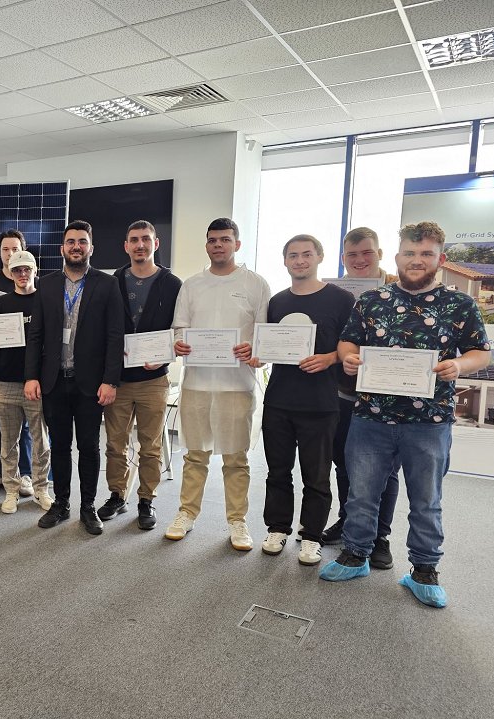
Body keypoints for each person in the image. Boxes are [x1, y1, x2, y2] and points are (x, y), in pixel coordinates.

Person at [322, 221, 490, 608]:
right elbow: (348, 341)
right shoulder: (372, 300)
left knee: (426, 499)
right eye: (410, 253)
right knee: (362, 493)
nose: (417, 260)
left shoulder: (460, 304)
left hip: (429, 422)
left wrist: (459, 366)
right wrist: (349, 357)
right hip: (371, 416)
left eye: (426, 254)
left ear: (440, 260)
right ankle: (355, 555)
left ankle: (424, 570)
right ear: (397, 258)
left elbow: (480, 353)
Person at [166, 218, 270, 550]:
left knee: (236, 459)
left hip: (237, 384)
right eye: (212, 240)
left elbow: (264, 335)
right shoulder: (192, 284)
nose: (218, 245)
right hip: (196, 382)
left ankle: (237, 521)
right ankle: (186, 513)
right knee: (195, 455)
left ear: (236, 244)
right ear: (207, 245)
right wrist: (179, 342)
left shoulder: (255, 284)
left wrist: (255, 350)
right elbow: (179, 327)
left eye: (225, 239)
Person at [250, 235, 354, 565]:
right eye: (293, 255)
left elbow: (352, 344)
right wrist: (259, 355)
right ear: (285, 261)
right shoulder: (277, 301)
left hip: (321, 403)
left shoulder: (341, 299)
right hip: (278, 401)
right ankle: (277, 528)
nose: (299, 260)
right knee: (277, 472)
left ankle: (311, 536)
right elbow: (268, 344)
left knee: (317, 476)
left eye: (306, 254)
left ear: (319, 257)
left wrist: (330, 358)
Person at [25, 220, 124, 535]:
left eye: (82, 241)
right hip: (54, 380)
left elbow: (115, 336)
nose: (76, 246)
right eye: (71, 242)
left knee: (89, 447)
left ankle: (88, 506)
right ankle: (61, 504)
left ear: (91, 248)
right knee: (59, 446)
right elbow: (36, 334)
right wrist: (31, 376)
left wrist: (110, 380)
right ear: (62, 248)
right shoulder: (46, 284)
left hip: (90, 383)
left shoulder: (107, 284)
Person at [324, 226, 402, 570]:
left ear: (380, 254)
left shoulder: (401, 288)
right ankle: (349, 522)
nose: (359, 260)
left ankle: (380, 536)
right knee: (344, 462)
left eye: (367, 252)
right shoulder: (333, 292)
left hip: (389, 397)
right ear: (343, 258)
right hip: (344, 392)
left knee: (385, 470)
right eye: (352, 255)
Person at [98, 220, 181, 530]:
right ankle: (117, 496)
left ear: (155, 244)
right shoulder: (113, 281)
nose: (140, 245)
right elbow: (102, 326)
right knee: (115, 444)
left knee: (151, 445)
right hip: (117, 379)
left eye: (146, 239)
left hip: (153, 381)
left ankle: (147, 499)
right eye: (134, 240)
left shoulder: (172, 284)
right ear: (126, 246)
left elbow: (180, 329)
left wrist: (165, 355)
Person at [0, 249, 52, 514]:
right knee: (8, 444)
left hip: (37, 385)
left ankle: (41, 489)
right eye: (17, 270)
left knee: (41, 443)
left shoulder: (46, 301)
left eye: (27, 269)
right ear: (10, 272)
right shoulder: (1, 303)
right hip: (4, 383)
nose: (22, 274)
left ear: (35, 270)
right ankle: (11, 491)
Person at [0, 230, 34, 497]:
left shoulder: (35, 285)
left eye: (15, 249)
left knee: (27, 428)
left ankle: (25, 473)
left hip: (27, 370)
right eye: (5, 249)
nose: (10, 254)